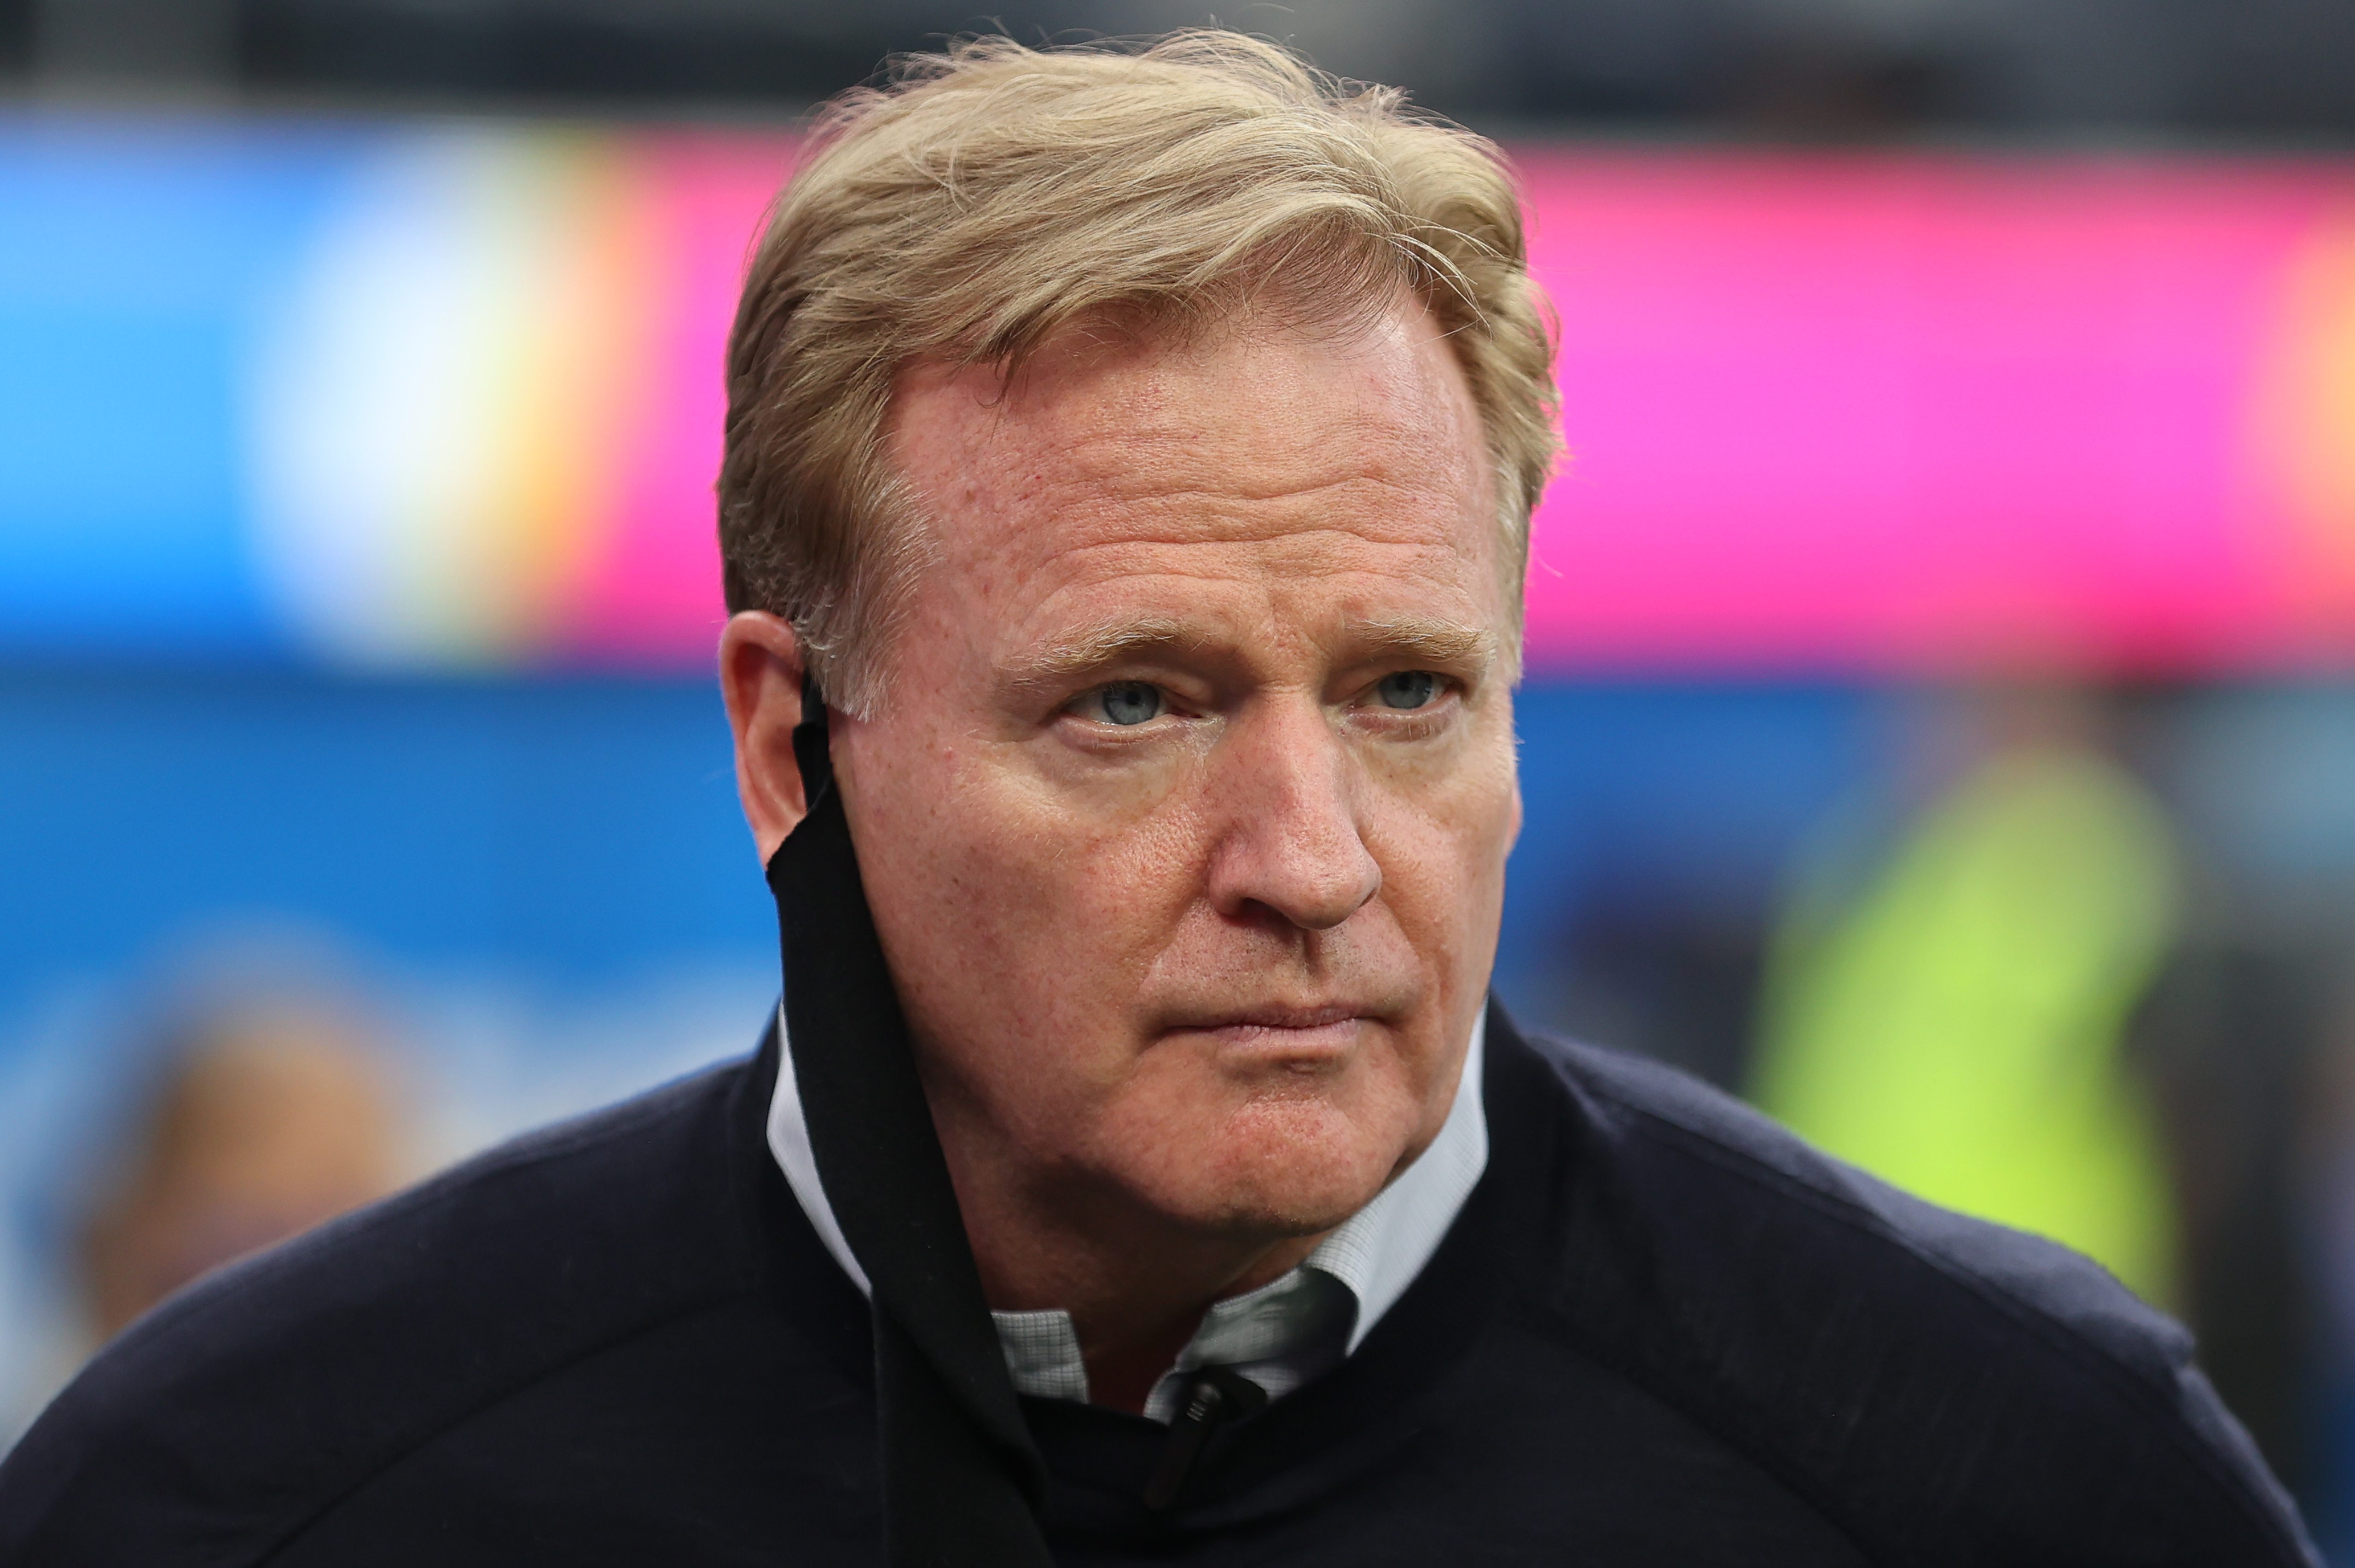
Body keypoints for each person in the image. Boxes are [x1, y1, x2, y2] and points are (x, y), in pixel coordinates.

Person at [0, 32, 2317, 1566]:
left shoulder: (2015, 1477)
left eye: (1410, 691)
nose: (1308, 863)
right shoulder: (245, 1499)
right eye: (1133, 705)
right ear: (783, 741)